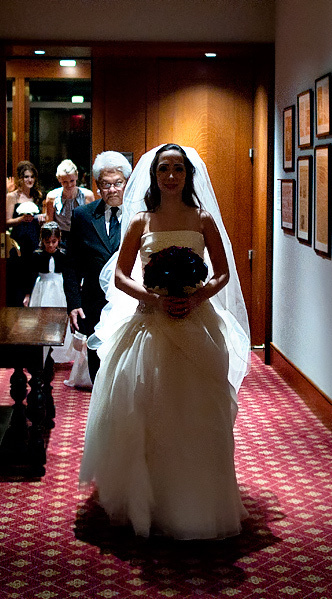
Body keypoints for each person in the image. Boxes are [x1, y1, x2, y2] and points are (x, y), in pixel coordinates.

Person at [79, 143, 251, 540]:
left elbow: (223, 274)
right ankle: (149, 501)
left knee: (197, 410)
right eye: (163, 169)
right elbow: (121, 276)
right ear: (154, 176)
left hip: (195, 318)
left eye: (178, 169)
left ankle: (197, 501)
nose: (170, 176)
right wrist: (154, 299)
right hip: (151, 321)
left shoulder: (203, 219)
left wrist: (196, 297)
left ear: (188, 175)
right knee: (147, 408)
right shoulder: (141, 220)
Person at [63, 151, 132, 381]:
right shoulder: (82, 216)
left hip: (131, 304)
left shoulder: (140, 215)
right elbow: (71, 264)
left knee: (128, 368)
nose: (112, 190)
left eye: (118, 183)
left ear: (127, 182)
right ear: (97, 186)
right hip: (94, 306)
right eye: (105, 184)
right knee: (98, 369)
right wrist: (74, 303)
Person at [23, 222, 75, 363]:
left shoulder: (63, 254)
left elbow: (69, 275)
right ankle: (41, 352)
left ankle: (58, 353)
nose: (51, 245)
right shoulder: (37, 255)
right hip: (42, 288)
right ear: (42, 241)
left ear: (58, 240)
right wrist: (28, 294)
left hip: (59, 288)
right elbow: (30, 275)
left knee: (58, 319)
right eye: (47, 242)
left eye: (54, 241)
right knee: (41, 319)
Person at [5, 160, 44, 306]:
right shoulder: (12, 197)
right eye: (26, 177)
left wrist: (41, 219)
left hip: (35, 238)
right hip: (19, 240)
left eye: (32, 177)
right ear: (20, 178)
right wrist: (21, 219)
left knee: (34, 271)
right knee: (19, 274)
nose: (30, 180)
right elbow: (7, 221)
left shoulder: (38, 195)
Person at [44, 159, 94, 246]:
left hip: (82, 238)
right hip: (61, 239)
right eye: (65, 182)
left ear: (76, 176)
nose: (69, 185)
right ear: (59, 179)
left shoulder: (87, 195)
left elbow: (91, 222)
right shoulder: (52, 196)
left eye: (72, 181)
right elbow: (50, 224)